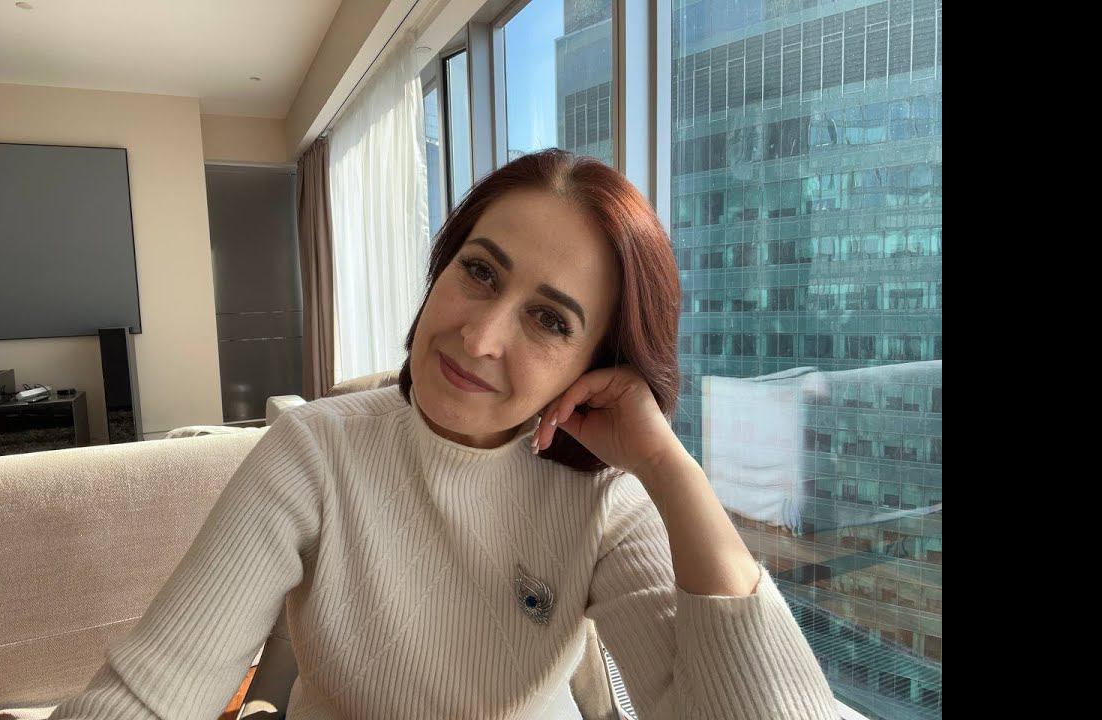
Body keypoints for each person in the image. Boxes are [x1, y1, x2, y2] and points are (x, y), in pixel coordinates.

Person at [49, 149, 839, 719]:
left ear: (596, 365)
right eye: (480, 271)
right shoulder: (314, 452)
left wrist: (666, 465)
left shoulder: (602, 497)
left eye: (550, 320)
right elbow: (154, 691)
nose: (480, 336)